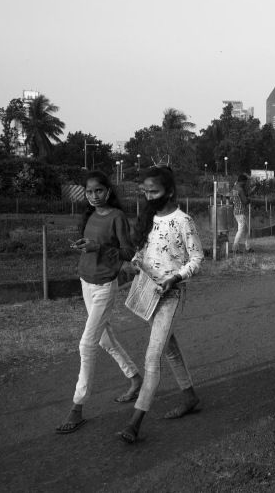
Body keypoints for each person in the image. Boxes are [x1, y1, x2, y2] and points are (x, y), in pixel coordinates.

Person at [118, 166, 204, 444]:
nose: (148, 196)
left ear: (169, 191)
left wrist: (176, 277)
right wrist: (137, 260)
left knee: (152, 357)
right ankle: (190, 397)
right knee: (169, 350)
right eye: (145, 191)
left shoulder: (183, 220)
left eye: (153, 191)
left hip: (171, 295)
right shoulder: (149, 217)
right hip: (149, 292)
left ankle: (135, 422)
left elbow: (197, 259)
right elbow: (146, 250)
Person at [56, 171, 142, 434]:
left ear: (108, 191)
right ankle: (135, 378)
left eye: (98, 191)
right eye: (89, 192)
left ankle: (77, 406)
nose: (93, 196)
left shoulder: (116, 216)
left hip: (105, 285)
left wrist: (100, 248)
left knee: (86, 343)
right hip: (86, 282)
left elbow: (128, 252)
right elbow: (93, 245)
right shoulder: (89, 214)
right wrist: (85, 247)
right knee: (104, 340)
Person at [232, 173, 252, 254]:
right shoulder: (240, 189)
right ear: (242, 181)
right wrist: (249, 200)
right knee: (240, 230)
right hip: (240, 212)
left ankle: (248, 247)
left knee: (246, 231)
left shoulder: (234, 188)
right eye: (245, 182)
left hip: (236, 211)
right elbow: (245, 201)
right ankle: (234, 248)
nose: (246, 184)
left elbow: (233, 200)